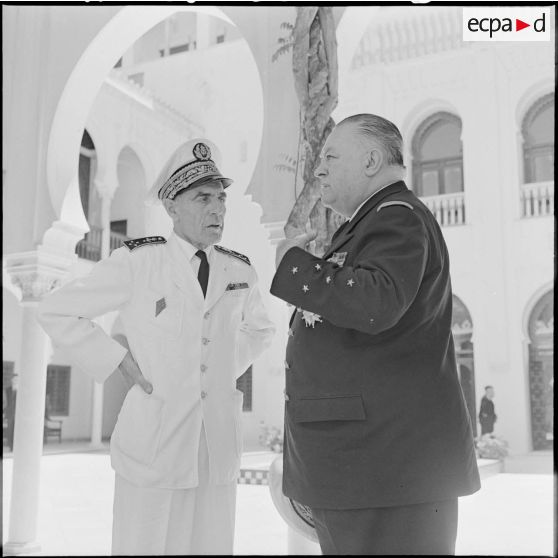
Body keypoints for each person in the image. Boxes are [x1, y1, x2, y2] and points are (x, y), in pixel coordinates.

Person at [38, 138, 275, 555]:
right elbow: (56, 310)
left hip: (215, 448)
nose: (218, 208)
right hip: (154, 446)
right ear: (172, 206)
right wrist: (119, 361)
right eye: (203, 197)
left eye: (222, 197)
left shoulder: (240, 270)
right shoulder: (138, 263)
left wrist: (224, 368)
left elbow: (260, 331)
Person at [270, 114, 480, 555]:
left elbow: (375, 302)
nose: (319, 169)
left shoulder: (396, 218)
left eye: (330, 156)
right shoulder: (370, 225)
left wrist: (294, 264)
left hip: (385, 472)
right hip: (374, 471)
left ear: (370, 160)